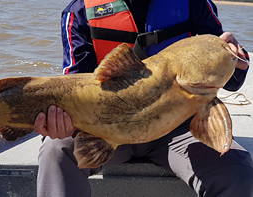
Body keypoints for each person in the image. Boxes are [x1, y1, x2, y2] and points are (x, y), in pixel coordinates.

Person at [34, 0, 253, 196]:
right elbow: (74, 88)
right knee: (57, 151)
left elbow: (233, 79)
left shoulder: (193, 3)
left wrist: (236, 57)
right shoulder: (79, 11)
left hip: (181, 127)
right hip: (104, 129)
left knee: (236, 172)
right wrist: (61, 121)